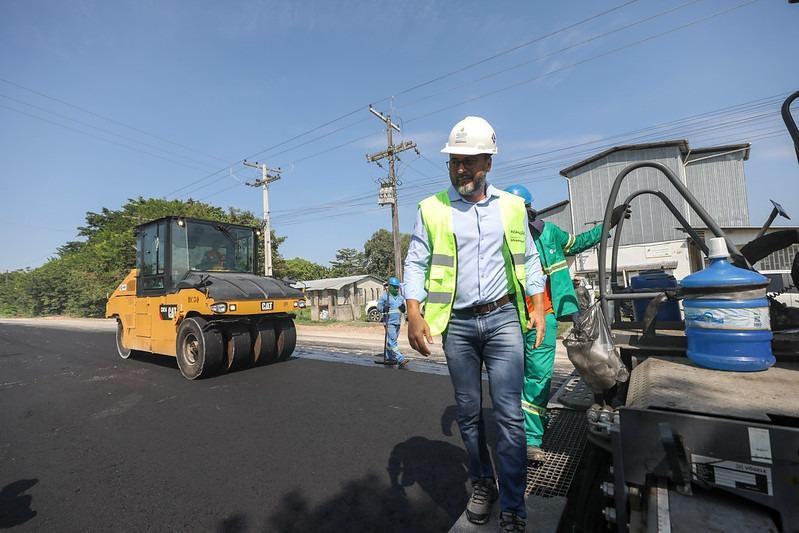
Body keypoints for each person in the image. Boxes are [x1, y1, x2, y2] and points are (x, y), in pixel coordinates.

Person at [404, 116, 546, 533]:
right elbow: (416, 262)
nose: (460, 169)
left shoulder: (511, 207)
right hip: (459, 326)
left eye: (469, 161)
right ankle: (483, 482)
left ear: (488, 162)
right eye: (454, 162)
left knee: (509, 416)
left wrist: (537, 305)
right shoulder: (432, 209)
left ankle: (515, 505)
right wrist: (413, 312)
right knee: (469, 413)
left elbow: (530, 260)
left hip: (503, 320)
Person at [504, 184, 629, 463]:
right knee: (512, 381)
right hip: (510, 319)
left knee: (537, 379)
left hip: (543, 318)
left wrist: (610, 221)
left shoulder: (550, 234)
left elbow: (580, 242)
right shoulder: (499, 239)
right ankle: (523, 428)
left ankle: (531, 439)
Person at [377, 276, 408, 368]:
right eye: (394, 287)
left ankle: (389, 356)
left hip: (397, 322)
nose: (396, 289)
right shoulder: (385, 297)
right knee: (393, 340)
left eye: (397, 287)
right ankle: (400, 358)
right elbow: (379, 307)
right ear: (389, 287)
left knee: (391, 341)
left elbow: (403, 310)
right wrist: (383, 308)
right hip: (389, 322)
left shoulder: (400, 298)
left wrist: (403, 309)